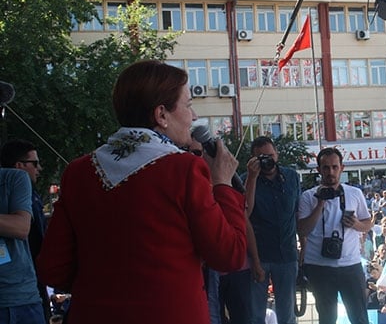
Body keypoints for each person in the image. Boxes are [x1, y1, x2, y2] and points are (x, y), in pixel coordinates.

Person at [35, 60, 247, 324]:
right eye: (189, 105)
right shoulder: (184, 169)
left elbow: (52, 269)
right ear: (161, 115)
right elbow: (230, 255)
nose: (193, 117)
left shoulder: (78, 172)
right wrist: (223, 185)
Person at [297, 147, 373, 324]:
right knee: (327, 318)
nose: (330, 172)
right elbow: (302, 231)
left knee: (360, 317)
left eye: (334, 167)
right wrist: (320, 203)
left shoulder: (355, 193)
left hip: (351, 265)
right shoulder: (308, 196)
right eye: (326, 168)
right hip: (319, 266)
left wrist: (356, 224)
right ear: (319, 170)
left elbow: (368, 223)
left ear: (342, 168)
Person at [243, 136, 301, 324]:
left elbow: (297, 212)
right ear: (253, 160)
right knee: (255, 314)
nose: (267, 160)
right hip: (258, 255)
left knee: (287, 314)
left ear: (277, 154)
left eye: (270, 155)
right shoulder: (245, 180)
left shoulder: (291, 176)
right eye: (261, 157)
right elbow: (245, 213)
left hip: (287, 254)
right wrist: (252, 178)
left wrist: (303, 250)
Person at [0, 139, 50, 322]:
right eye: (35, 163)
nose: (39, 169)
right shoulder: (17, 179)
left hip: (25, 290)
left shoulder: (16, 182)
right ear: (19, 165)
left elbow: (22, 227)